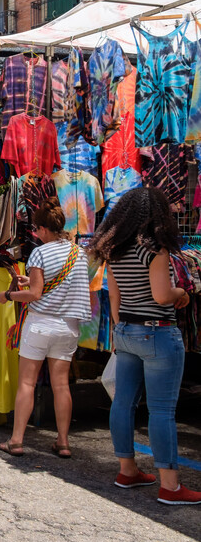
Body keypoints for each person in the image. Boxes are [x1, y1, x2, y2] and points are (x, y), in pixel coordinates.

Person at [90, 187, 200, 505]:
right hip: (157, 333)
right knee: (162, 411)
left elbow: (114, 296)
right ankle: (170, 486)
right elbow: (163, 296)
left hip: (125, 329)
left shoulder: (115, 250)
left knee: (122, 404)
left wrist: (119, 328)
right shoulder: (155, 250)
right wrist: (183, 293)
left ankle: (127, 470)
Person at [0, 198, 90, 459]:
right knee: (61, 386)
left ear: (44, 229)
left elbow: (35, 294)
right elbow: (57, 286)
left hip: (40, 325)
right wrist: (35, 282)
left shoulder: (40, 252)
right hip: (68, 327)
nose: (35, 234)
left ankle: (16, 440)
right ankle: (63, 442)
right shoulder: (79, 253)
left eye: (36, 229)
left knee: (26, 382)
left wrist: (9, 295)